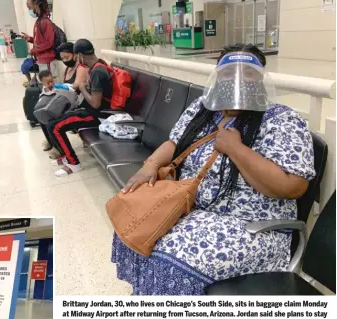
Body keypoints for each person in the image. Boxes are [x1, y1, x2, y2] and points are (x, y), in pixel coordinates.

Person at [111, 44, 316, 296]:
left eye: (248, 73)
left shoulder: (281, 119)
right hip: (193, 210)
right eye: (229, 72)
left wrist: (236, 149)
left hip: (251, 227)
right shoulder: (203, 109)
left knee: (168, 262)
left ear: (261, 78)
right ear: (218, 76)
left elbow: (292, 186)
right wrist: (151, 165)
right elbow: (175, 142)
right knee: (134, 230)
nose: (238, 79)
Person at [44, 39, 112, 176]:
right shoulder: (97, 66)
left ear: (80, 55)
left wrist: (82, 88)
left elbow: (95, 103)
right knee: (52, 122)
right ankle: (65, 156)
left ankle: (73, 163)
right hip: (91, 111)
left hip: (98, 115)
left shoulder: (98, 71)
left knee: (56, 127)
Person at [22, 0, 57, 77]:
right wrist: (30, 39)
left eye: (29, 7)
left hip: (47, 61)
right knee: (45, 85)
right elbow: (41, 41)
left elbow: (49, 43)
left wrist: (33, 50)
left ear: (36, 5)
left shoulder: (45, 22)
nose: (29, 10)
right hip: (40, 60)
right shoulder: (38, 21)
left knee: (50, 86)